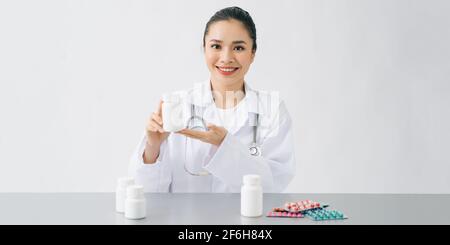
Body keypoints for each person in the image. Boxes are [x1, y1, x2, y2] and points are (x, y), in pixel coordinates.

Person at [128, 6, 295, 192]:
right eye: (216, 46)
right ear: (204, 48)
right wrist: (153, 147)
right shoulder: (176, 106)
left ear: (253, 53)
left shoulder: (271, 110)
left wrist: (225, 146)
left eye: (238, 48)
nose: (226, 58)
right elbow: (144, 193)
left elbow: (273, 184)